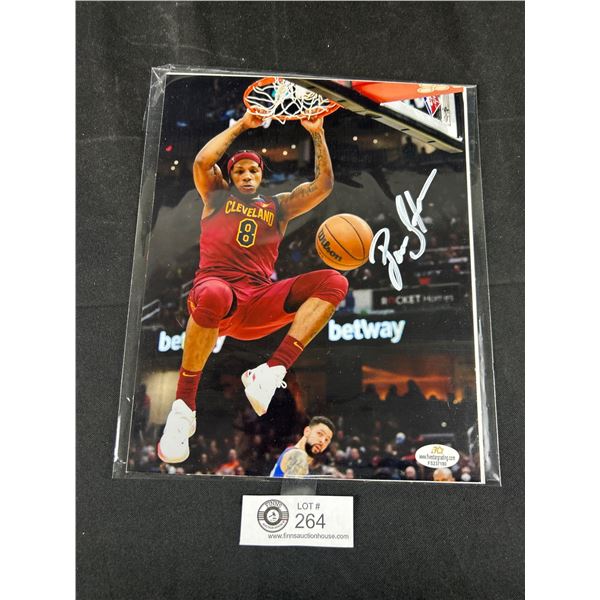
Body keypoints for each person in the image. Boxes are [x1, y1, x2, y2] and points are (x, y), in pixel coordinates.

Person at [158, 110, 348, 463]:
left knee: (334, 280)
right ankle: (184, 408)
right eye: (240, 171)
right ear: (229, 177)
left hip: (259, 301)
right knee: (214, 292)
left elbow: (322, 186)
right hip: (217, 292)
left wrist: (317, 133)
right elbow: (202, 162)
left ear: (261, 175)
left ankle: (272, 370)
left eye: (253, 171)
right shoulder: (216, 196)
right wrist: (243, 124)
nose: (247, 175)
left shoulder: (279, 207)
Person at [270, 416, 335, 478]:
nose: (322, 441)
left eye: (326, 440)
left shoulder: (294, 453)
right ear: (307, 431)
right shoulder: (298, 455)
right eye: (320, 434)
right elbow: (290, 486)